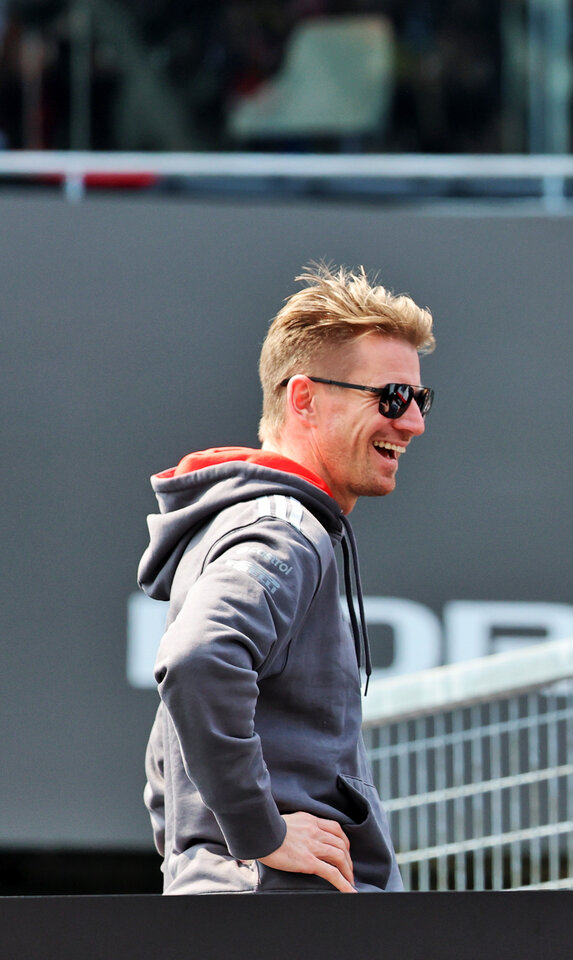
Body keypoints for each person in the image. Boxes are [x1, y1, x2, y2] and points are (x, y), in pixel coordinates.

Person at [140, 265, 434, 893]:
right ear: (304, 398)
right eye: (390, 397)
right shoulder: (284, 528)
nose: (412, 423)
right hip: (280, 913)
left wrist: (199, 856)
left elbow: (166, 767)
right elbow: (197, 660)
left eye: (419, 398)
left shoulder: (252, 520)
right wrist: (260, 833)